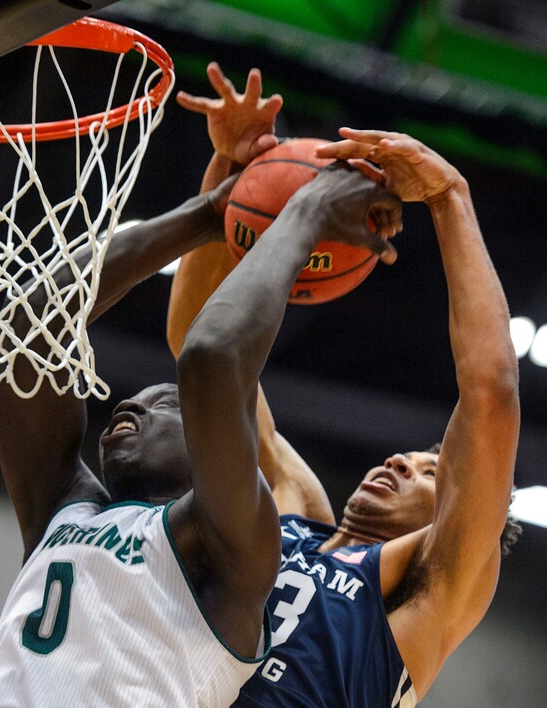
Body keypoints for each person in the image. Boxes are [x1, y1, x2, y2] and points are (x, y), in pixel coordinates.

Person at [0, 76, 400, 706]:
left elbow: (210, 359)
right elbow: (29, 330)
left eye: (162, 404)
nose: (130, 406)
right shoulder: (60, 509)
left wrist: (309, 211)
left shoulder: (228, 543)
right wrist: (209, 212)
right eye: (135, 402)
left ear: (212, 443)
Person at [169, 63, 521, 707]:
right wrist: (233, 178)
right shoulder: (292, 511)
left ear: (462, 515)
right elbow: (198, 347)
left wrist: (450, 197)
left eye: (426, 471)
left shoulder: (428, 589)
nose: (398, 462)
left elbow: (491, 393)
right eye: (409, 456)